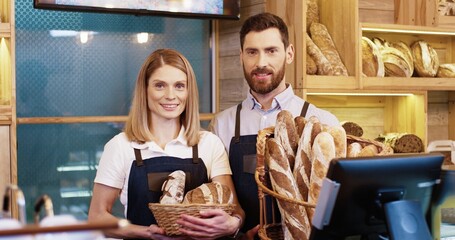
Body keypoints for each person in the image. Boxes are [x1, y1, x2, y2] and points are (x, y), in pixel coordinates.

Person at [88, 48, 245, 240]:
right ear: (145, 90)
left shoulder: (209, 144)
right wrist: (145, 233)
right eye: (160, 85)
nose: (171, 95)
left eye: (179, 86)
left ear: (189, 91)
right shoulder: (120, 147)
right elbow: (97, 217)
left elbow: (235, 209)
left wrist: (232, 224)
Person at [209, 12, 340, 237]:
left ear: (289, 54)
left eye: (271, 51)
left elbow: (335, 204)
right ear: (241, 56)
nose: (261, 63)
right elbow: (218, 201)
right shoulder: (222, 126)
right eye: (252, 52)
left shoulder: (323, 123)